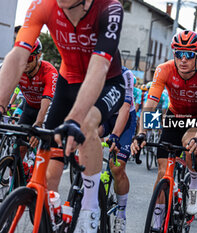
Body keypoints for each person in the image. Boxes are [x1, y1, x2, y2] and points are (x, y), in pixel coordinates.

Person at [0, 0, 125, 232]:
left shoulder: (110, 8)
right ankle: (52, 214)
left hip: (106, 81)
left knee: (87, 124)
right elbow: (18, 55)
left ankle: (90, 209)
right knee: (50, 158)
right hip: (68, 83)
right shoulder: (43, 5)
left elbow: (99, 66)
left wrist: (74, 118)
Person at [131, 30, 197, 218]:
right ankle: (157, 217)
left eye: (188, 55)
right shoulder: (164, 69)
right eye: (179, 54)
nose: (183, 59)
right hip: (175, 116)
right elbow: (151, 105)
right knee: (163, 171)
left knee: (190, 143)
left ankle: (195, 183)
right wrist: (142, 133)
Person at [98, 66, 137, 233]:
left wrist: (114, 135)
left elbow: (125, 108)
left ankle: (121, 213)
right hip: (105, 116)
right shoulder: (90, 69)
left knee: (117, 167)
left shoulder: (125, 74)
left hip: (124, 119)